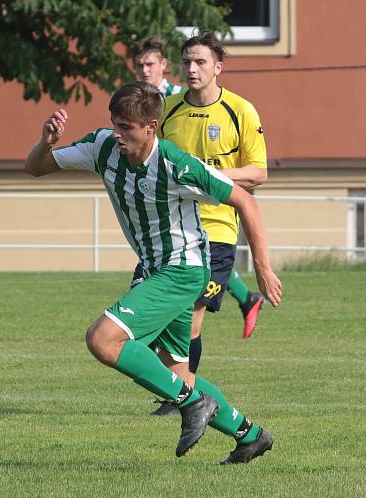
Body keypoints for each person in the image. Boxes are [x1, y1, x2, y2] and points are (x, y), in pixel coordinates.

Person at [25, 81, 283, 464]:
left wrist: (263, 268)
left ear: (150, 126)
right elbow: (36, 169)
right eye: (114, 123)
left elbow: (244, 199)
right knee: (177, 373)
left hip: (183, 270)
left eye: (126, 127)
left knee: (102, 339)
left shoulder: (176, 164)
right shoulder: (103, 147)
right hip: (155, 268)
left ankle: (193, 405)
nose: (118, 133)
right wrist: (46, 142)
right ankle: (250, 436)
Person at [146, 32, 269, 416]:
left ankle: (181, 396)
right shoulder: (169, 111)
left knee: (193, 315)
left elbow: (259, 172)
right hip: (173, 228)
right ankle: (180, 388)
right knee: (160, 320)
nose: (192, 69)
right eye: (187, 62)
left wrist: (210, 175)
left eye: (200, 62)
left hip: (217, 229)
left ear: (218, 67)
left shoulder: (240, 110)